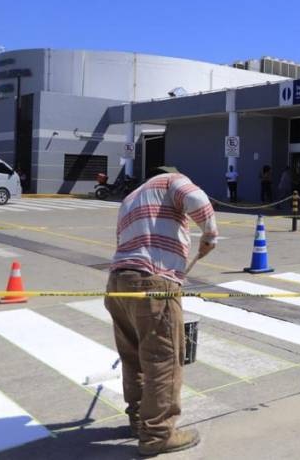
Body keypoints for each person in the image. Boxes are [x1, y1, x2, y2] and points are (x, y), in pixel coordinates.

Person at [104, 167, 218, 456]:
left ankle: (139, 420)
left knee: (133, 358)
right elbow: (198, 199)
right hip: (153, 280)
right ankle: (157, 434)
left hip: (119, 282)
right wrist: (209, 236)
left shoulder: (130, 197)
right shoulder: (171, 180)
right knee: (162, 359)